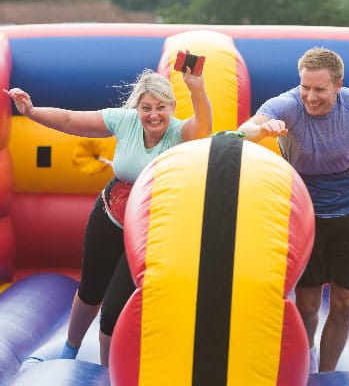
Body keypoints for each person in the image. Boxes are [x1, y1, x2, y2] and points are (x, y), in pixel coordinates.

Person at [4, 64, 212, 366]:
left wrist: (196, 87)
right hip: (110, 214)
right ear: (137, 108)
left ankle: (106, 370)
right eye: (146, 107)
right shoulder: (125, 122)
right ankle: (71, 348)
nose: (153, 115)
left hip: (148, 230)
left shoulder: (182, 133)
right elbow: (70, 119)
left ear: (172, 107)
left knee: (114, 307)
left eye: (161, 107)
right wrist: (31, 111)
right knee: (90, 289)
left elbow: (203, 125)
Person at [237, 47, 349, 373]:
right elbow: (249, 128)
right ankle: (304, 362)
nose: (310, 97)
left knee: (346, 303)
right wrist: (259, 133)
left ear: (338, 85)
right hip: (304, 211)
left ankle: (326, 374)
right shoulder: (287, 105)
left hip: (348, 208)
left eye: (319, 89)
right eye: (305, 87)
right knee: (308, 305)